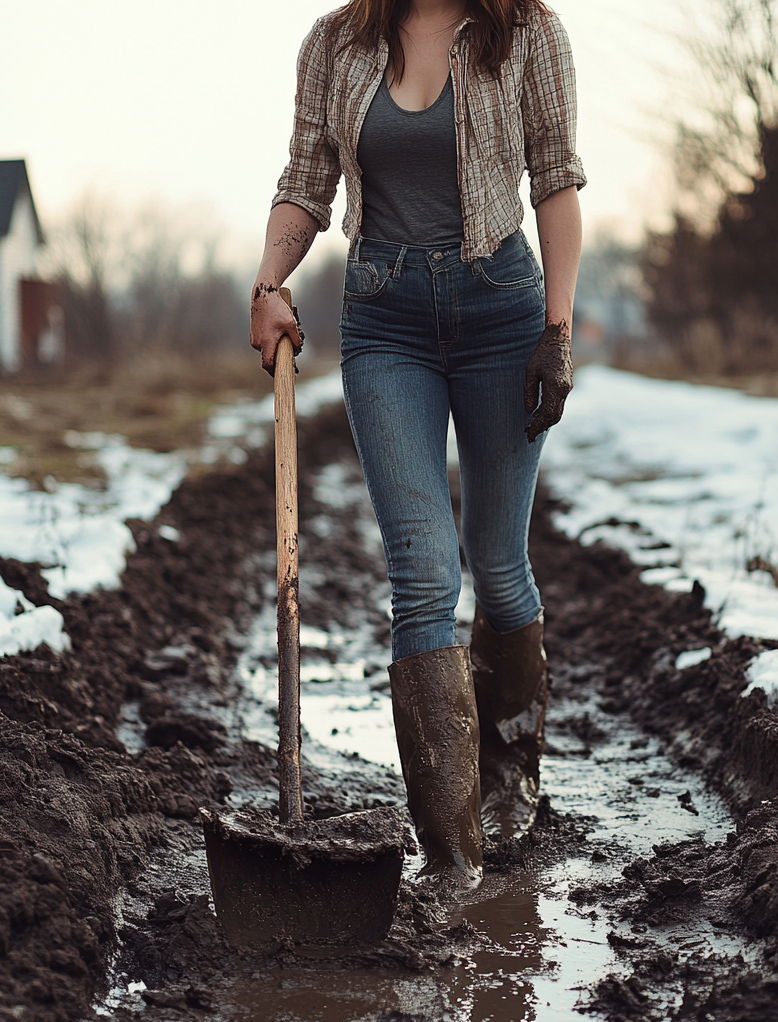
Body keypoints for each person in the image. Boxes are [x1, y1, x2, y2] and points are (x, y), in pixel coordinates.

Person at [250, 0, 584, 889]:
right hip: (385, 319)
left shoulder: (530, 35)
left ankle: (508, 783)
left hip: (502, 314)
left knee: (497, 561)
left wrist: (557, 328)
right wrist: (269, 279)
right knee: (424, 573)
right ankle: (451, 859)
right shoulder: (335, 43)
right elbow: (306, 174)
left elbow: (554, 178)